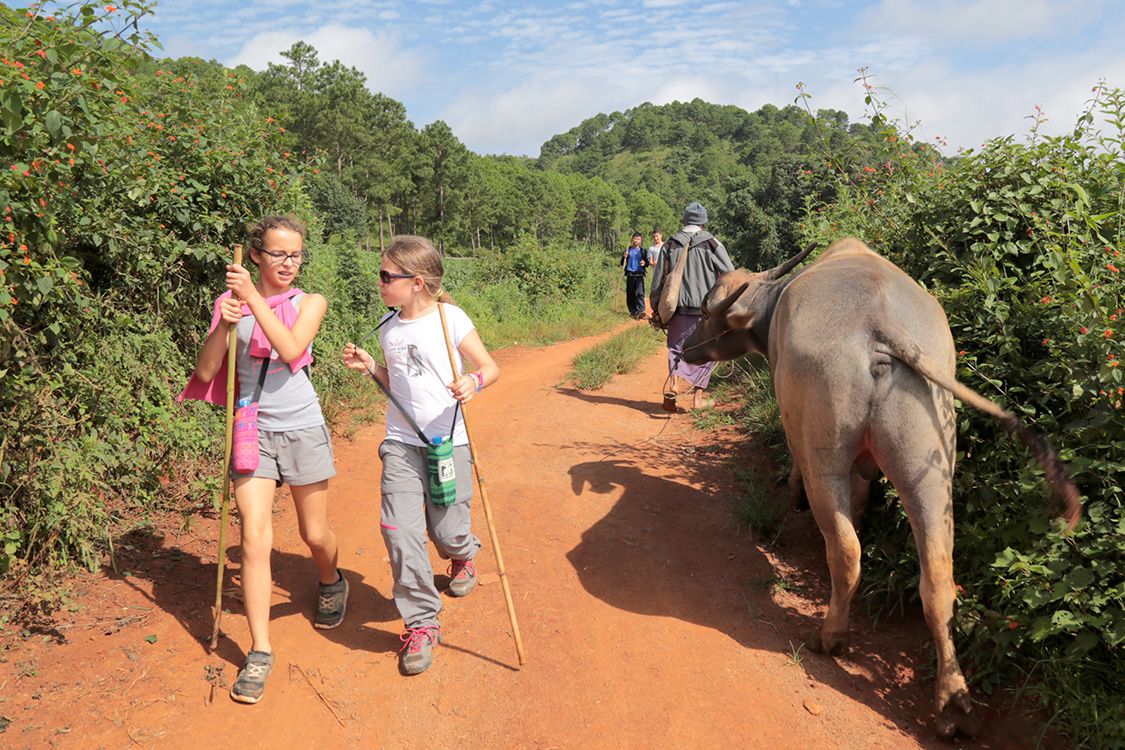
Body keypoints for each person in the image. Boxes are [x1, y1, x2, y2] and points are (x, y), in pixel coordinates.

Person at [179, 215, 346, 704]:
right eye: (277, 254)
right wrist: (226, 323)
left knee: (314, 534)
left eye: (295, 254)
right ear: (255, 255)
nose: (288, 263)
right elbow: (210, 369)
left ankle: (331, 580)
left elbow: (293, 348)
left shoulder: (310, 302)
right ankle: (260, 650)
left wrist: (252, 298)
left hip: (302, 427)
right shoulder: (229, 305)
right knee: (254, 536)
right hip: (251, 428)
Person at [342, 235, 499, 676]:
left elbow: (490, 366)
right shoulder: (387, 326)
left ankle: (462, 553)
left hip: (448, 442)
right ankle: (421, 622)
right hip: (400, 442)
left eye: (386, 275)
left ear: (415, 282)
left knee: (447, 530)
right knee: (397, 528)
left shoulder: (450, 318)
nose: (380, 282)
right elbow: (399, 382)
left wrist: (475, 382)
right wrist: (372, 366)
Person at [649, 202, 734, 411]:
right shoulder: (713, 244)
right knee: (707, 350)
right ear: (704, 224)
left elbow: (658, 279)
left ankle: (674, 386)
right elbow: (730, 273)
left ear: (683, 222)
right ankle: (697, 398)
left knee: (676, 347)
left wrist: (655, 307)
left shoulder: (670, 244)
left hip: (676, 307)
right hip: (706, 309)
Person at [621, 231, 648, 319]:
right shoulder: (628, 250)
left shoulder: (643, 251)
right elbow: (622, 263)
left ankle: (641, 310)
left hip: (639, 274)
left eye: (638, 239)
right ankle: (633, 311)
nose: (636, 240)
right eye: (635, 238)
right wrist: (624, 256)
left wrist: (645, 263)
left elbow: (647, 263)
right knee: (631, 293)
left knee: (640, 293)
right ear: (632, 239)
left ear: (640, 241)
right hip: (630, 273)